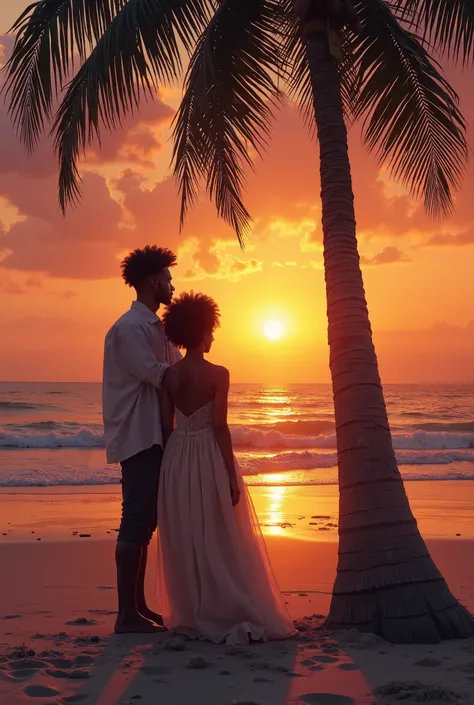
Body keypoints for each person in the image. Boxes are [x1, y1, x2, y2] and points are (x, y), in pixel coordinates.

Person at [157, 292, 296, 644]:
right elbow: (219, 425)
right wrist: (231, 474)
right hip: (206, 452)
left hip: (176, 457)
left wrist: (169, 465)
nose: (213, 336)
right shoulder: (219, 373)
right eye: (211, 330)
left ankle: (192, 609)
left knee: (187, 531)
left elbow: (165, 427)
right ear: (204, 332)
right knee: (218, 530)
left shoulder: (169, 376)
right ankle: (224, 604)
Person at [102, 245, 181, 634]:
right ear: (153, 281)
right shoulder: (129, 329)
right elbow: (161, 375)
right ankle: (125, 614)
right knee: (135, 519)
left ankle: (139, 605)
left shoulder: (158, 329)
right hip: (139, 435)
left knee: (146, 520)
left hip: (157, 435)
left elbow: (177, 371)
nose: (171, 285)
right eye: (167, 278)